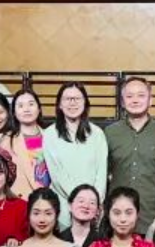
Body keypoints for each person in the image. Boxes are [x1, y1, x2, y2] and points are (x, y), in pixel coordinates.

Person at [103, 76, 155, 234]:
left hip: (153, 217)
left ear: (150, 100)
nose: (135, 100)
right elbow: (103, 174)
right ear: (122, 102)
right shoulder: (109, 133)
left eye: (141, 95)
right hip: (118, 218)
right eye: (129, 96)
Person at [41, 82, 107, 226]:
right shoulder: (50, 134)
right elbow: (57, 175)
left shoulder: (97, 134)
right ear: (59, 104)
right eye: (67, 99)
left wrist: (93, 202)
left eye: (77, 98)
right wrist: (80, 201)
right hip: (63, 208)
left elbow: (101, 173)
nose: (72, 103)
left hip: (93, 208)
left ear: (85, 103)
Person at [2, 87, 52, 197]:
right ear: (14, 112)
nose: (26, 109)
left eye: (31, 104)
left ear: (39, 109)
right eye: (20, 106)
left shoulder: (52, 137)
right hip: (19, 200)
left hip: (49, 200)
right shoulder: (6, 141)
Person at [58, 183, 105, 247]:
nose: (86, 206)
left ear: (97, 210)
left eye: (92, 203)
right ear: (70, 205)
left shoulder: (103, 242)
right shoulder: (58, 240)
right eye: (81, 201)